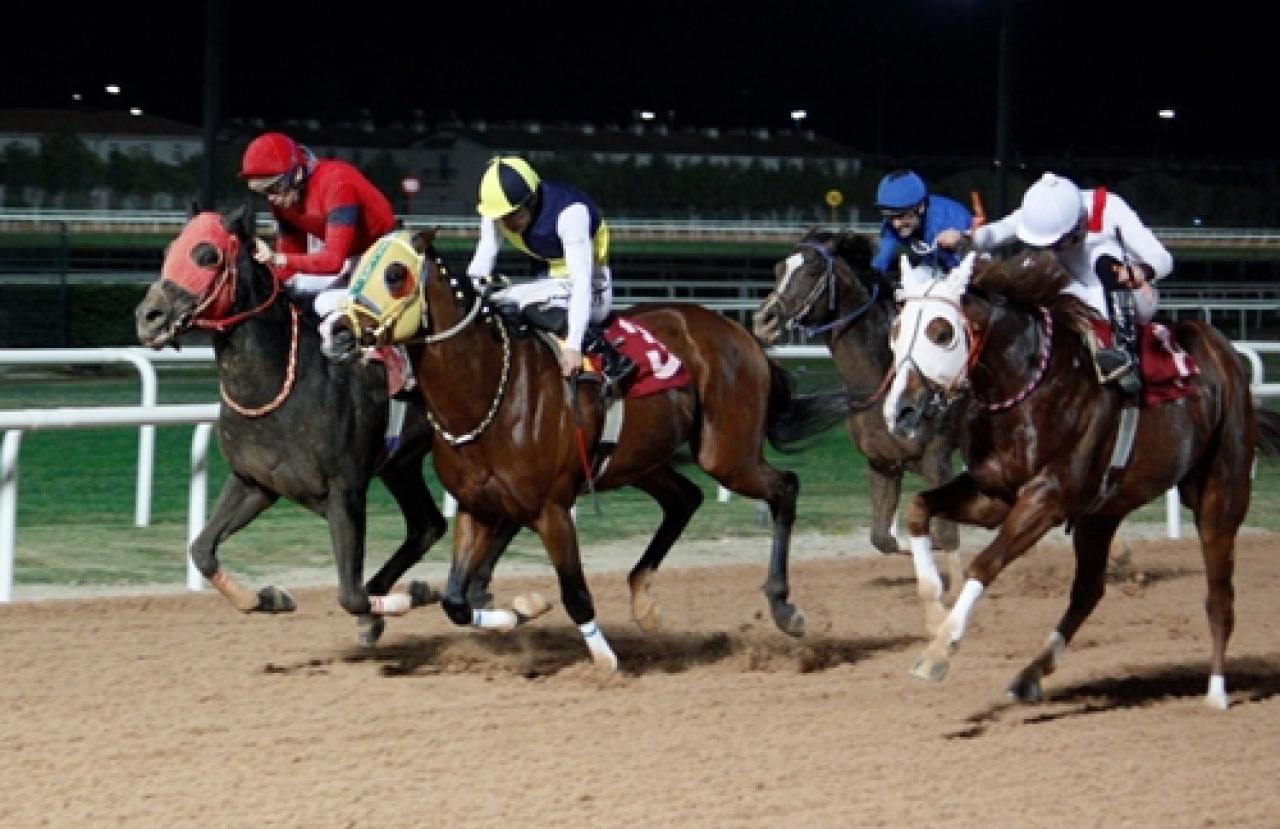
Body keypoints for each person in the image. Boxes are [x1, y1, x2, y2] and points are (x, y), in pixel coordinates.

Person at [936, 172, 1173, 395]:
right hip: (1078, 293)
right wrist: (965, 238)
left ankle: (1124, 355)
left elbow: (1163, 259)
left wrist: (1140, 271)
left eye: (1059, 242)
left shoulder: (1110, 207)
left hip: (1130, 296)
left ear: (1079, 223)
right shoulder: (1043, 211)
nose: (1055, 247)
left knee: (1103, 257)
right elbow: (999, 231)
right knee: (1031, 269)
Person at [465, 155, 634, 391]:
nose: (506, 223)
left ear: (532, 200)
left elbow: (581, 281)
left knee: (522, 303)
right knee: (493, 301)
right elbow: (482, 262)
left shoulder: (571, 213)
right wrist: (468, 298)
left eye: (513, 214)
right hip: (549, 283)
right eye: (501, 217)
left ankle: (606, 353)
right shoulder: (497, 211)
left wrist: (573, 345)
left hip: (590, 288)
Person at [238, 131, 397, 344]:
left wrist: (276, 258)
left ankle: (376, 355)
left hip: (383, 253)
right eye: (265, 192)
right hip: (350, 258)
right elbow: (291, 256)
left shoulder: (337, 184)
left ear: (296, 174)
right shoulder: (283, 199)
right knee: (292, 290)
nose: (272, 198)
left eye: (274, 188)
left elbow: (333, 261)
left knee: (324, 301)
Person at [870, 169, 974, 277]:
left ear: (921, 207)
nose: (896, 224)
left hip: (966, 266)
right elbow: (880, 261)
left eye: (901, 215)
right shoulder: (891, 224)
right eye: (889, 217)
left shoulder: (948, 222)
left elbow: (969, 263)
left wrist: (961, 242)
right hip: (931, 264)